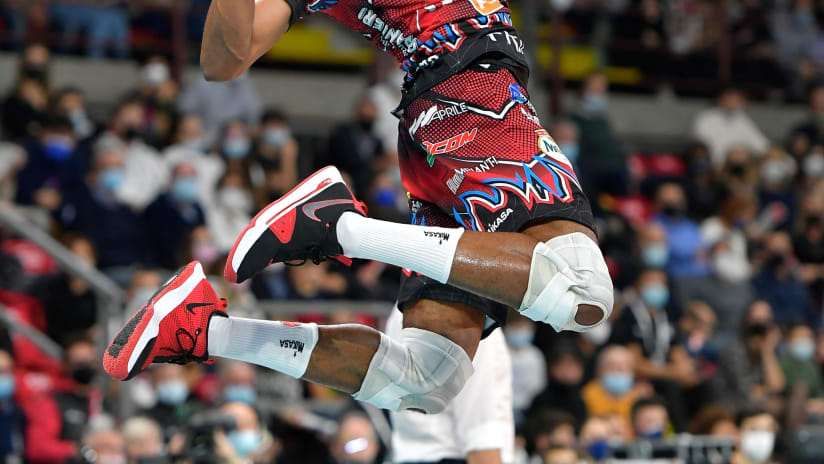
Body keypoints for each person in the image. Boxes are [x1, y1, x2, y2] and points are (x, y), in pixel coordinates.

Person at [104, 0, 614, 423]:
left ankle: (203, 329)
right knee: (581, 289)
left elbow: (222, 62)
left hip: (434, 110)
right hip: (471, 82)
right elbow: (222, 61)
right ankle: (338, 226)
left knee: (424, 378)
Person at [387, 306, 514, 463]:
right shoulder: (467, 309)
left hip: (408, 455)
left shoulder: (400, 310)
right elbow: (479, 429)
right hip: (456, 456)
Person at [714, 301, 785, 412]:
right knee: (779, 406)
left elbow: (777, 386)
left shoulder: (768, 350)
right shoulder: (734, 350)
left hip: (759, 403)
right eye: (756, 321)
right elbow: (747, 392)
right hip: (733, 405)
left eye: (765, 321)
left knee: (795, 393)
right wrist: (767, 390)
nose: (760, 327)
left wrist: (767, 352)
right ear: (746, 322)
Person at [692, 87, 769, 166]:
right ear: (721, 100)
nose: (732, 102)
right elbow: (700, 145)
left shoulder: (742, 119)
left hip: (740, 164)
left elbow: (761, 145)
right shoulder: (706, 118)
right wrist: (730, 154)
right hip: (712, 164)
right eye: (729, 99)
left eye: (735, 100)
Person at [581, 345, 646, 430]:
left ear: (632, 372)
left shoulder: (642, 398)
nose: (616, 372)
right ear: (599, 371)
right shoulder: (584, 396)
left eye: (622, 368)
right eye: (611, 367)